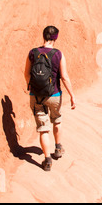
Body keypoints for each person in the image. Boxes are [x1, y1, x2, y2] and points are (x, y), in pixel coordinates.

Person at [24, 26, 76, 171]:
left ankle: (47, 161)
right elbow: (64, 77)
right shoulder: (58, 54)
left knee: (43, 129)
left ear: (43, 36)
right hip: (54, 95)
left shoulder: (33, 53)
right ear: (56, 38)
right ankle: (58, 149)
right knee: (57, 119)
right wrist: (72, 95)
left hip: (36, 96)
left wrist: (30, 85)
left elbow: (26, 73)